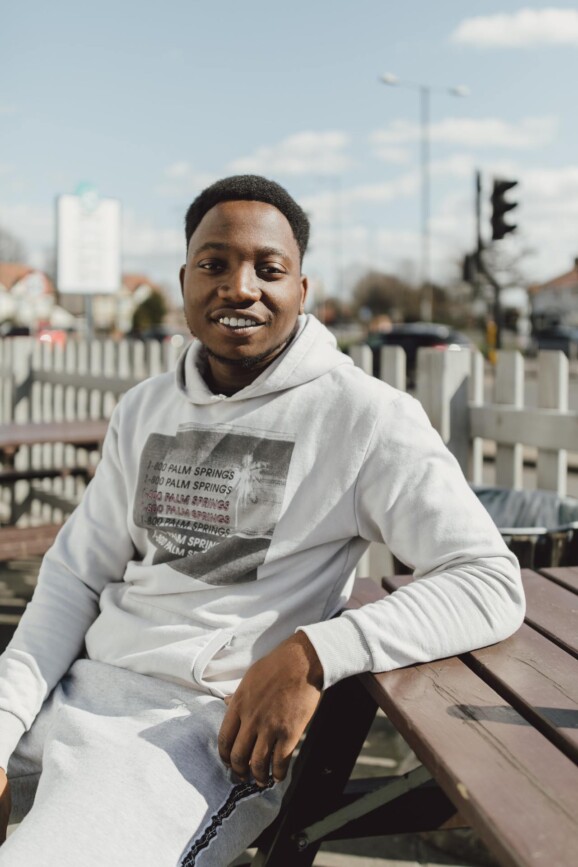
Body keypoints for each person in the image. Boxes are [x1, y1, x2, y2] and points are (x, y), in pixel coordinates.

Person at [0, 175, 524, 866]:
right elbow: (73, 579)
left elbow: (487, 581)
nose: (240, 288)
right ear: (185, 281)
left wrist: (316, 653)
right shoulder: (145, 408)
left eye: (268, 269)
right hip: (76, 691)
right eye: (214, 264)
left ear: (302, 290)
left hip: (193, 730)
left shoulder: (365, 417)